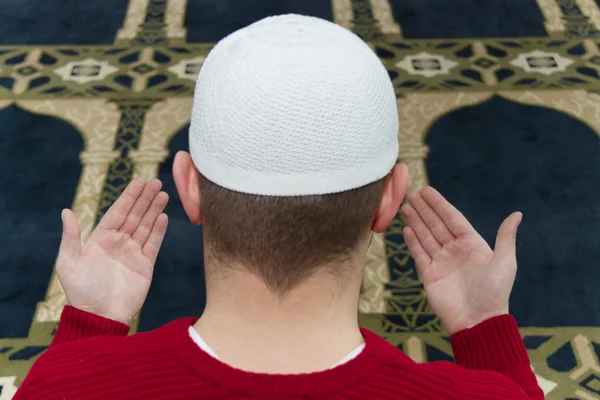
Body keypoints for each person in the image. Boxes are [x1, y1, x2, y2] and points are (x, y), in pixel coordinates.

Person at [14, 14, 543, 400]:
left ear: (188, 188)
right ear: (389, 201)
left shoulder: (64, 386)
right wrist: (483, 326)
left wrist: (90, 330)